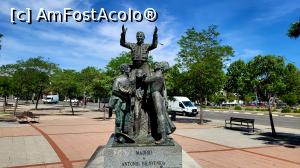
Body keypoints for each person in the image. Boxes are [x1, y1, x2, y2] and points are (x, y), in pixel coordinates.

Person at [144, 62, 176, 144]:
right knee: (159, 115)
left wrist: (144, 75)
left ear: (161, 67)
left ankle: (163, 137)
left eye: (158, 64)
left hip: (156, 95)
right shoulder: (160, 76)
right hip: (157, 95)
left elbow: (145, 80)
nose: (156, 64)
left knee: (160, 115)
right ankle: (161, 134)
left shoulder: (157, 75)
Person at [109, 64, 131, 137]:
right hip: (120, 102)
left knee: (127, 117)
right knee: (119, 118)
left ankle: (126, 132)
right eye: (128, 68)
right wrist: (124, 97)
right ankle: (118, 134)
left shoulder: (130, 79)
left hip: (127, 102)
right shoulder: (118, 79)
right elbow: (114, 91)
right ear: (124, 70)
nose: (129, 69)